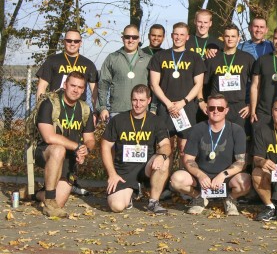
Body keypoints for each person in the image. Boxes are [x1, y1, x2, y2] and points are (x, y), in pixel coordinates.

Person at [169, 94, 252, 215]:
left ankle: (230, 199)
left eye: (220, 108)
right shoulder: (197, 129)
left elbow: (241, 162)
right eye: (212, 108)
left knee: (246, 181)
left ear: (226, 110)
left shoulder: (237, 130)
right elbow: (188, 159)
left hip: (226, 178)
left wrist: (223, 175)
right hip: (201, 179)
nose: (216, 111)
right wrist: (200, 175)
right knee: (176, 179)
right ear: (207, 110)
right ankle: (199, 198)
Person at [100, 85, 172, 214]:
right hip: (124, 171)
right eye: (135, 100)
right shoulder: (118, 120)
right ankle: (131, 194)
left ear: (149, 100)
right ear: (131, 100)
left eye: (142, 100)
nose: (138, 104)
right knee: (116, 206)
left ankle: (153, 202)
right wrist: (112, 174)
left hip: (146, 168)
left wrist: (161, 156)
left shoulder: (156, 121)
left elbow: (166, 146)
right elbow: (105, 146)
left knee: (164, 161)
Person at [34, 72, 96, 218]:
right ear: (65, 85)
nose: (76, 90)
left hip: (69, 158)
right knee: (58, 149)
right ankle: (49, 200)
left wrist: (85, 149)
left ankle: (34, 193)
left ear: (83, 90)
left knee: (60, 202)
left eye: (80, 87)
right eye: (73, 85)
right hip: (45, 152)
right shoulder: (49, 103)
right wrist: (76, 146)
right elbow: (48, 137)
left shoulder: (85, 108)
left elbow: (90, 139)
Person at [148, 22, 206, 158]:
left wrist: (183, 102)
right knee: (165, 149)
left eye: (182, 34)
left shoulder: (195, 57)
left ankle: (180, 179)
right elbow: (154, 84)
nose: (178, 37)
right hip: (165, 108)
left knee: (184, 149)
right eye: (176, 34)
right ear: (171, 35)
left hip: (186, 108)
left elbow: (198, 84)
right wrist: (168, 104)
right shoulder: (160, 56)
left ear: (187, 37)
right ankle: (165, 178)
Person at [203, 23, 254, 129]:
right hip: (218, 107)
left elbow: (256, 84)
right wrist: (202, 102)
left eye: (233, 36)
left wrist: (250, 106)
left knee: (238, 141)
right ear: (223, 38)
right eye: (227, 36)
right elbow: (202, 84)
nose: (230, 39)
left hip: (239, 108)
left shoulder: (247, 58)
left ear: (238, 38)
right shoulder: (212, 58)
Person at [98, 24, 153, 121]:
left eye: (134, 37)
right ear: (122, 38)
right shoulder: (112, 58)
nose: (131, 40)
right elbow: (103, 84)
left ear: (139, 39)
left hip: (142, 111)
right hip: (118, 111)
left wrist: (153, 108)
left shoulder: (148, 59)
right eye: (127, 37)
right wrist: (103, 107)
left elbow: (154, 86)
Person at [36, 29, 98, 105]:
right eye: (69, 41)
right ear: (64, 42)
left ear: (80, 43)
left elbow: (94, 91)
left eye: (76, 41)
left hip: (78, 109)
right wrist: (39, 109)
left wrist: (95, 111)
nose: (72, 44)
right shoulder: (52, 60)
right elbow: (42, 87)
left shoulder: (88, 64)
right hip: (56, 107)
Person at [250, 26, 277, 125]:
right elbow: (255, 86)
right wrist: (252, 111)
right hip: (262, 112)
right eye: (276, 38)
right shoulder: (262, 60)